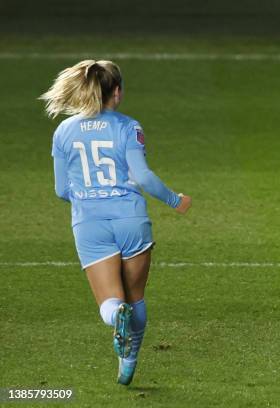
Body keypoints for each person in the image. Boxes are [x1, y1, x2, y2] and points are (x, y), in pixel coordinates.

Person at [40, 60, 192, 384]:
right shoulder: (128, 127)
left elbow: (60, 189)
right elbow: (144, 177)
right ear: (118, 92)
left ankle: (114, 317)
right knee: (135, 296)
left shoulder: (63, 131)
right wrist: (176, 201)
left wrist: (89, 200)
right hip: (131, 220)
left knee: (111, 302)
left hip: (90, 225)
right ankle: (128, 363)